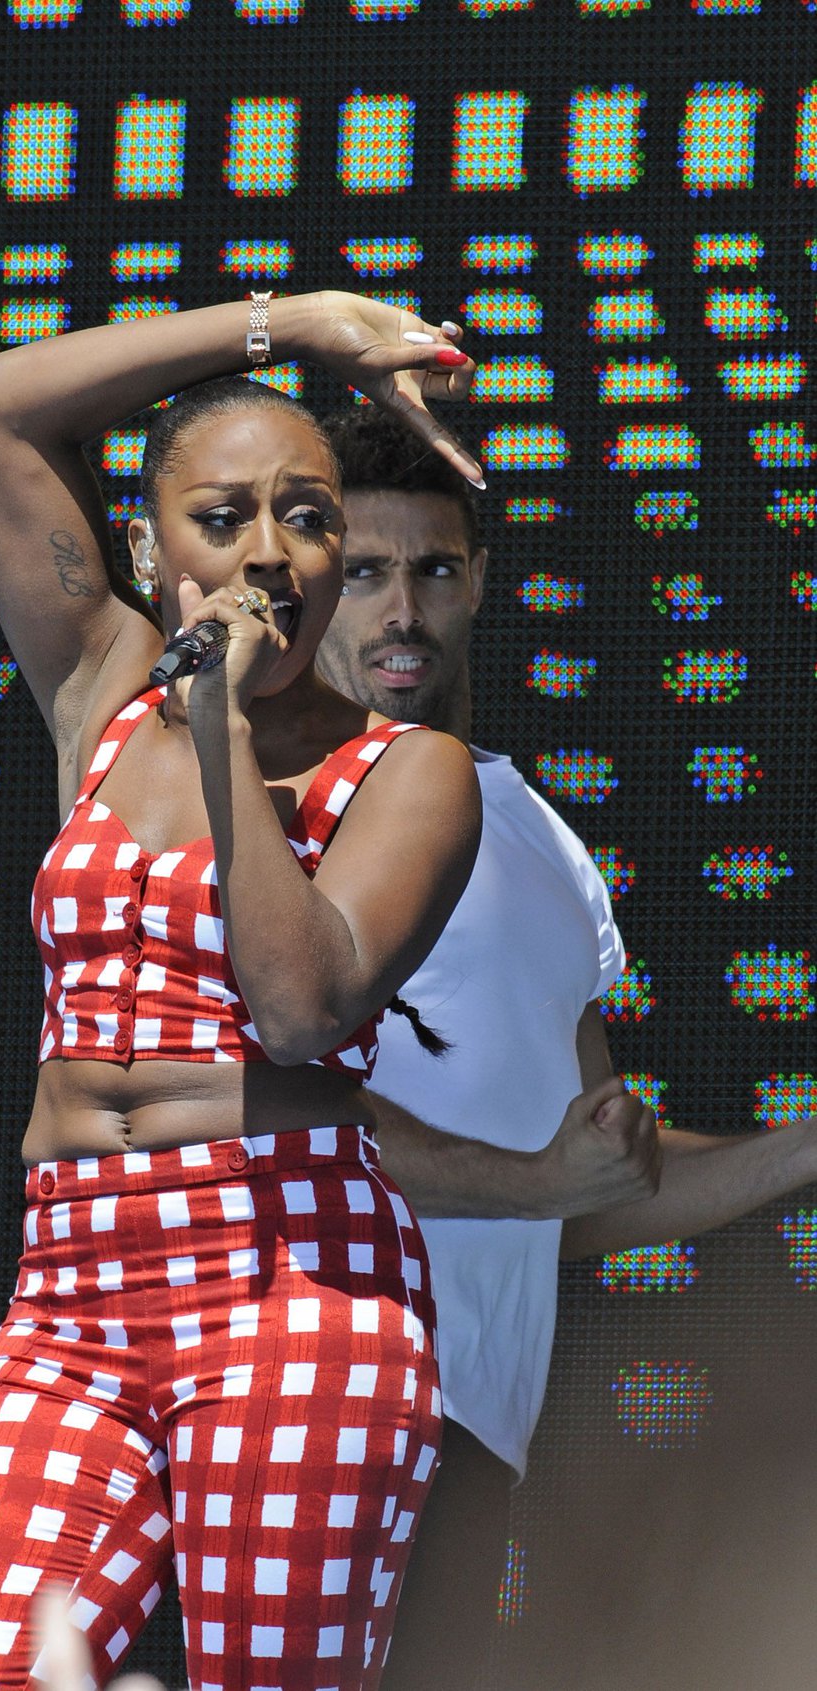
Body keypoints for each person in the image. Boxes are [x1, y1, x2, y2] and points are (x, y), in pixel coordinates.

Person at [0, 288, 649, 1691]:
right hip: (69, 1292)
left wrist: (220, 719)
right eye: (222, 516)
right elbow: (2, 402)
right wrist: (290, 327)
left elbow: (303, 1009)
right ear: (147, 548)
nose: (267, 551)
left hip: (291, 1278)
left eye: (306, 517)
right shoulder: (102, 689)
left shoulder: (404, 771)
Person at [316, 399, 817, 1691]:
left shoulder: (541, 839)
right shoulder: (268, 813)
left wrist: (805, 1149)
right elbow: (254, 1120)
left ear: (479, 580)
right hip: (312, 1398)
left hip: (478, 1440)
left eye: (433, 571)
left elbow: (588, 1190)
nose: (404, 612)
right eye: (363, 573)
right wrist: (539, 1180)